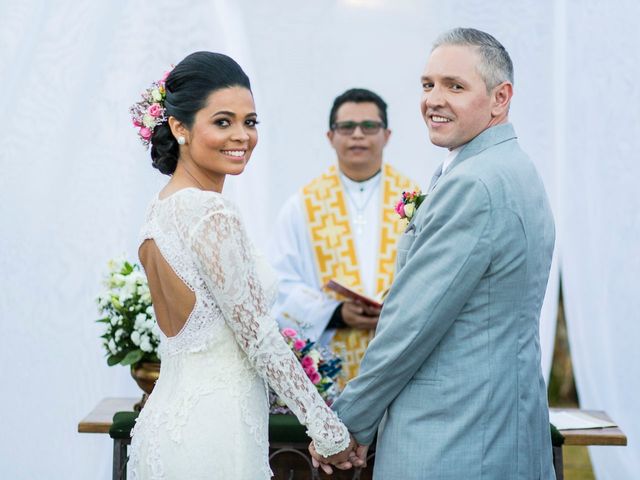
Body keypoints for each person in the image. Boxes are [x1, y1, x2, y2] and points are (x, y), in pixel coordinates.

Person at [311, 28, 557, 479]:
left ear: (500, 98)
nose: (433, 100)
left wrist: (346, 423)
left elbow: (413, 323)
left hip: (455, 435)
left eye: (455, 86)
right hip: (501, 421)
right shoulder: (512, 167)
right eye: (428, 85)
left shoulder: (474, 184)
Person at [126, 51, 357, 479]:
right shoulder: (212, 214)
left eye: (250, 122)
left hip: (163, 428)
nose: (242, 136)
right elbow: (260, 338)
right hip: (215, 433)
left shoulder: (158, 211)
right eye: (222, 121)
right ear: (179, 127)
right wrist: (329, 432)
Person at [269, 88, 419, 383]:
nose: (358, 135)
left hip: (399, 355)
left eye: (369, 126)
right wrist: (337, 312)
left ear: (386, 135)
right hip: (332, 363)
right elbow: (279, 284)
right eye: (347, 127)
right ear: (330, 136)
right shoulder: (303, 206)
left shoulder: (415, 202)